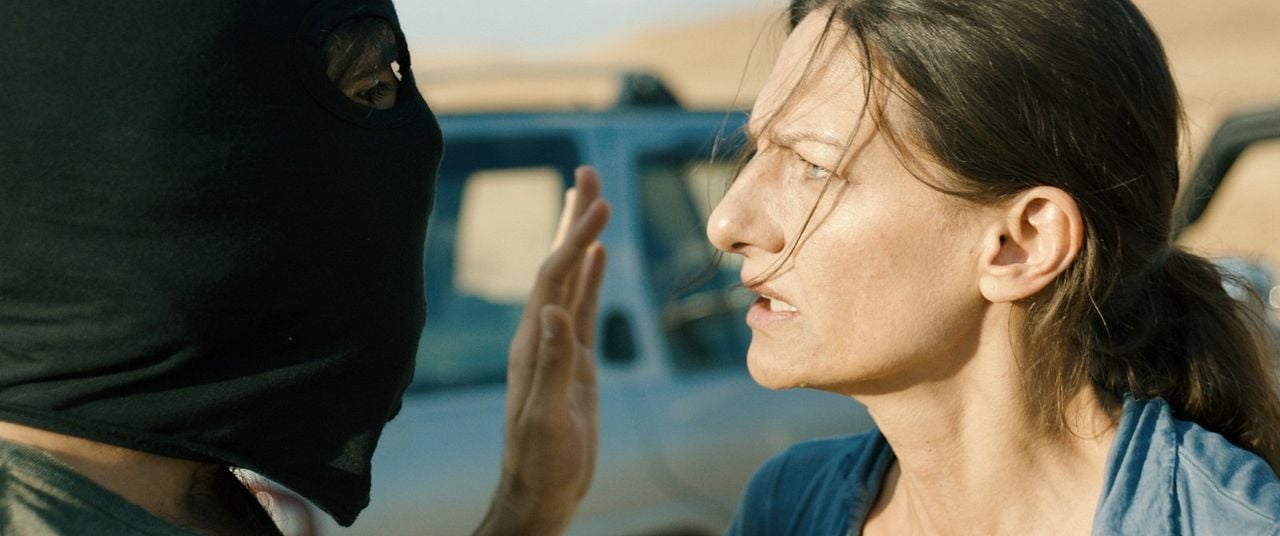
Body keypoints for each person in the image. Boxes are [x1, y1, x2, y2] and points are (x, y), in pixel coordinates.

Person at [0, 1, 604, 534]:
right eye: (369, 92)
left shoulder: (185, 495)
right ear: (170, 156)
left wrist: (529, 506)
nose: (421, 139)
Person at [707, 0, 1280, 533]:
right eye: (757, 151)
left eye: (813, 165)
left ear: (1023, 242)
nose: (726, 222)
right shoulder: (787, 507)